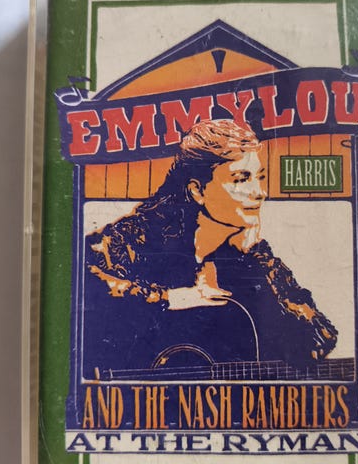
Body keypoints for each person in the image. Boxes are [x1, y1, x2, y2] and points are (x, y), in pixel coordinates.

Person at [85, 119, 337, 377]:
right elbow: (83, 286)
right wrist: (173, 298)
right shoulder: (136, 236)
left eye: (260, 177)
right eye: (241, 179)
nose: (259, 192)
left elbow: (317, 341)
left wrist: (258, 259)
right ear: (197, 191)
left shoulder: (249, 256)